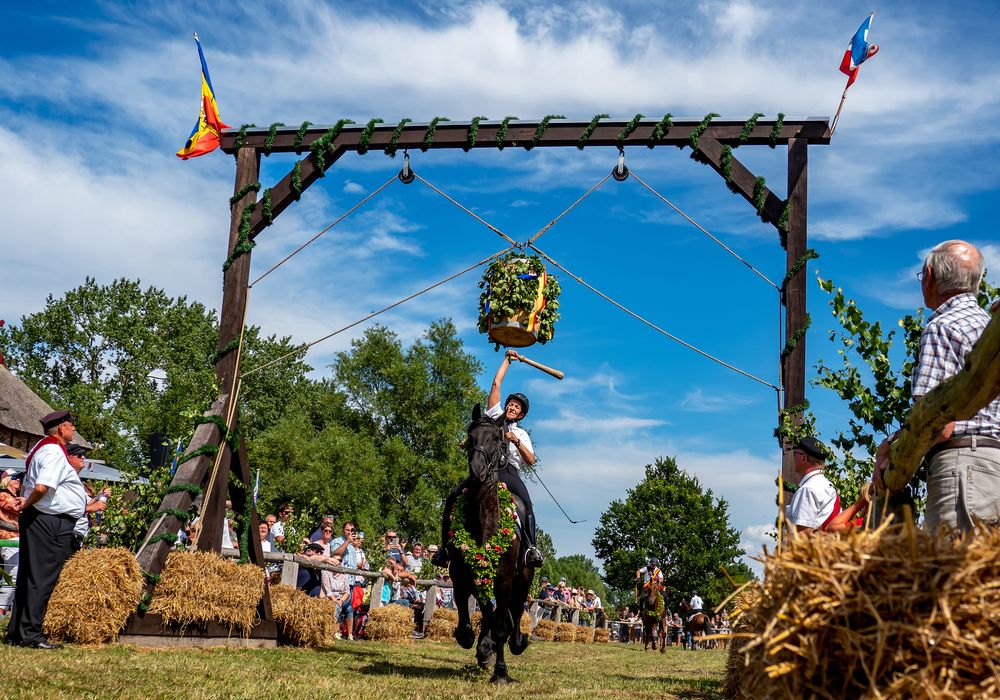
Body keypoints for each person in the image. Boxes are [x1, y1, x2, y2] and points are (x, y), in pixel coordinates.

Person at [874, 240, 1000, 533]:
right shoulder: (987, 324)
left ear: (929, 277)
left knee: (952, 574)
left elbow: (936, 423)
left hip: (964, 470)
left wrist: (891, 449)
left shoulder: (943, 326)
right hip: (994, 467)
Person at [431, 350, 543, 568]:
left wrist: (515, 442)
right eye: (511, 404)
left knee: (526, 504)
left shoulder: (521, 434)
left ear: (520, 415)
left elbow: (531, 460)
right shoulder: (493, 418)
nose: (512, 407)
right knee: (453, 496)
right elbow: (495, 385)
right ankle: (444, 549)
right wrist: (507, 361)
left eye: (516, 407)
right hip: (485, 470)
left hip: (508, 472)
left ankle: (531, 548)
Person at [7, 410, 88, 649]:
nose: (74, 430)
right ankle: (31, 634)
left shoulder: (41, 449)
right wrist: (27, 502)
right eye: (72, 426)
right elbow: (43, 487)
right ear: (62, 428)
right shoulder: (53, 451)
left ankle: (18, 632)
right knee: (42, 578)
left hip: (42, 518)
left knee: (30, 576)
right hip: (51, 520)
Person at [66, 444, 108, 551]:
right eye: (80, 455)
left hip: (76, 535)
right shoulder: (66, 479)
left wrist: (99, 497)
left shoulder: (76, 480)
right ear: (69, 457)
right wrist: (92, 508)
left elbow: (81, 505)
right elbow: (65, 507)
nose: (83, 458)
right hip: (68, 534)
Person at [0, 470, 22, 615]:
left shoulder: (17, 496)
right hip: (9, 540)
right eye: (14, 478)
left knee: (14, 576)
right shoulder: (3, 495)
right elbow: (17, 508)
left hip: (18, 540)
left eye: (20, 478)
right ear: (6, 480)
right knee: (12, 575)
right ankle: (1, 611)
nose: (18, 480)